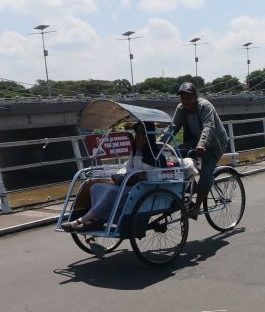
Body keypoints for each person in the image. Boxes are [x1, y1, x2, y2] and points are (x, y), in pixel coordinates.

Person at [63, 121, 162, 232]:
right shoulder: (136, 150)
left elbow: (140, 171)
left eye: (142, 134)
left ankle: (83, 219)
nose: (139, 137)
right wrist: (137, 155)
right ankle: (96, 219)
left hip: (145, 188)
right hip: (132, 184)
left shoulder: (155, 153)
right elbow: (130, 167)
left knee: (111, 192)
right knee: (96, 187)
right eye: (137, 134)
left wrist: (139, 152)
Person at [165, 82, 229, 219]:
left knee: (205, 176)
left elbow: (208, 127)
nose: (185, 101)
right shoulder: (181, 109)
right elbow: (172, 128)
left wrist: (202, 145)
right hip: (194, 141)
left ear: (195, 96)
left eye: (188, 97)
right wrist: (159, 143)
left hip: (213, 143)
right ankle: (190, 187)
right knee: (173, 156)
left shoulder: (205, 106)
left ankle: (196, 208)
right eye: (182, 98)